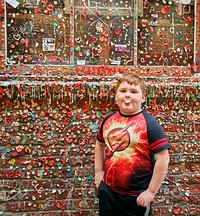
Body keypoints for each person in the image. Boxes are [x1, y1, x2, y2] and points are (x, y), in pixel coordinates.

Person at [94, 74, 170, 216]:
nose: (127, 95)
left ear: (143, 97)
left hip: (136, 196)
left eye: (134, 92)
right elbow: (99, 145)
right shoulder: (108, 121)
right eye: (123, 91)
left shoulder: (150, 124)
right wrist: (99, 172)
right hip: (108, 191)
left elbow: (163, 158)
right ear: (116, 96)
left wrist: (151, 192)